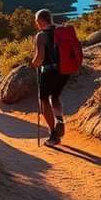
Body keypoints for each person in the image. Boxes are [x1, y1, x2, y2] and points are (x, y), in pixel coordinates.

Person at [31, 9, 72, 146]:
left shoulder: (41, 36)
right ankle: (59, 119)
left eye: (36, 21)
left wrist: (33, 64)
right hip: (65, 70)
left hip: (49, 72)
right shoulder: (62, 30)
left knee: (44, 99)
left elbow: (39, 59)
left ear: (39, 21)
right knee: (55, 96)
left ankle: (53, 135)